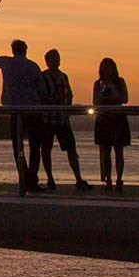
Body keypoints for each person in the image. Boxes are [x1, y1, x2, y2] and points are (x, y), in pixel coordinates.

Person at [0, 37, 42, 190]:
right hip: (32, 110)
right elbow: (40, 87)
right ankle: (32, 178)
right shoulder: (33, 66)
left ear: (13, 50)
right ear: (25, 50)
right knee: (34, 146)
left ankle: (24, 177)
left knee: (18, 146)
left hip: (15, 110)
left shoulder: (7, 62)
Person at [37, 49, 88, 190]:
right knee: (46, 149)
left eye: (57, 58)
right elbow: (42, 96)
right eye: (53, 58)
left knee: (71, 148)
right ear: (47, 61)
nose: (56, 61)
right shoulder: (43, 77)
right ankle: (50, 179)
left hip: (62, 119)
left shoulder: (64, 76)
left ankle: (78, 178)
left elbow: (69, 93)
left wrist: (68, 107)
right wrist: (55, 100)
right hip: (48, 119)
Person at [92, 57, 130, 191]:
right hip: (104, 118)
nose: (107, 70)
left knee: (119, 151)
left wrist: (114, 92)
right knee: (105, 152)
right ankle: (108, 179)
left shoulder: (120, 82)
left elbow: (125, 99)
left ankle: (119, 179)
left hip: (117, 118)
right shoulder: (98, 83)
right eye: (104, 67)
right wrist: (103, 96)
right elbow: (95, 101)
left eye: (109, 67)